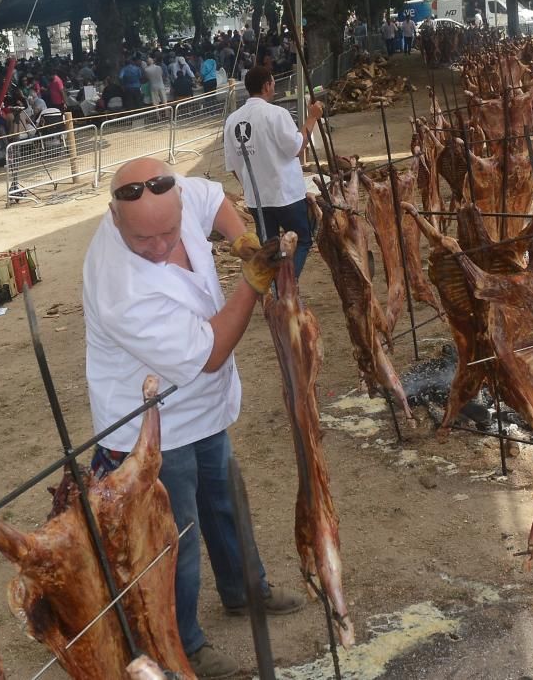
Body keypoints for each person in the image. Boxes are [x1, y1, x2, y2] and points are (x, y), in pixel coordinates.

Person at [83, 157, 305, 680]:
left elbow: (213, 200)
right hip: (152, 424)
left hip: (202, 408)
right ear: (115, 220)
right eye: (145, 241)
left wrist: (242, 239)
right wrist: (251, 282)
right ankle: (183, 641)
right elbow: (211, 352)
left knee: (225, 501)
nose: (160, 247)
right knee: (173, 539)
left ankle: (245, 590)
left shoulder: (170, 194)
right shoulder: (121, 289)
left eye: (168, 233)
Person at [223, 67, 323, 277]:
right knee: (302, 238)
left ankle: (275, 285)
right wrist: (312, 118)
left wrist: (249, 186)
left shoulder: (232, 121)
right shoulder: (276, 114)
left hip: (257, 198)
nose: (274, 87)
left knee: (269, 246)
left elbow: (233, 165)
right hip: (285, 194)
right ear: (267, 85)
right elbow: (297, 147)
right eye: (273, 84)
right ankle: (286, 284)